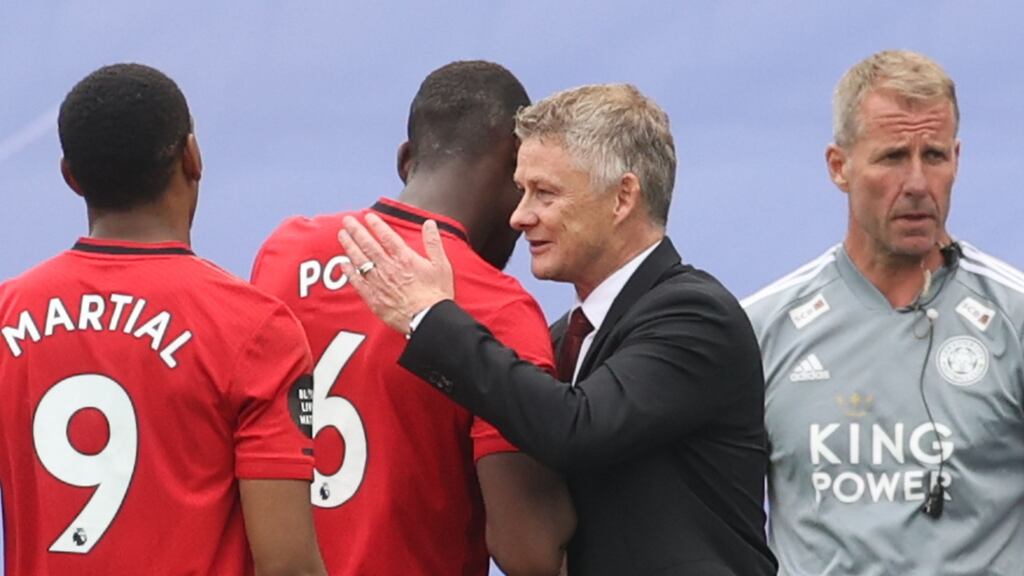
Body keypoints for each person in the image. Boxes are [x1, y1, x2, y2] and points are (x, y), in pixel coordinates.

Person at [336, 83, 777, 576]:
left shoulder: (696, 315)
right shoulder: (563, 337)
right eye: (521, 190)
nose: (520, 216)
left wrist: (430, 316)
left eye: (544, 193)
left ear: (622, 197)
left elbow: (576, 429)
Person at [250, 60, 574, 576]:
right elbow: (528, 551)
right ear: (518, 169)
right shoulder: (500, 308)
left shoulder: (285, 252)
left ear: (405, 159)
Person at [0, 64, 326, 576]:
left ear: (70, 177)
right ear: (192, 157)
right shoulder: (256, 329)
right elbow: (287, 567)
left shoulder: (7, 315)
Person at [742, 49, 1024, 575]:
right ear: (838, 167)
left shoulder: (1015, 319)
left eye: (934, 156)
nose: (917, 183)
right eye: (893, 157)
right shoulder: (760, 330)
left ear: (957, 160)